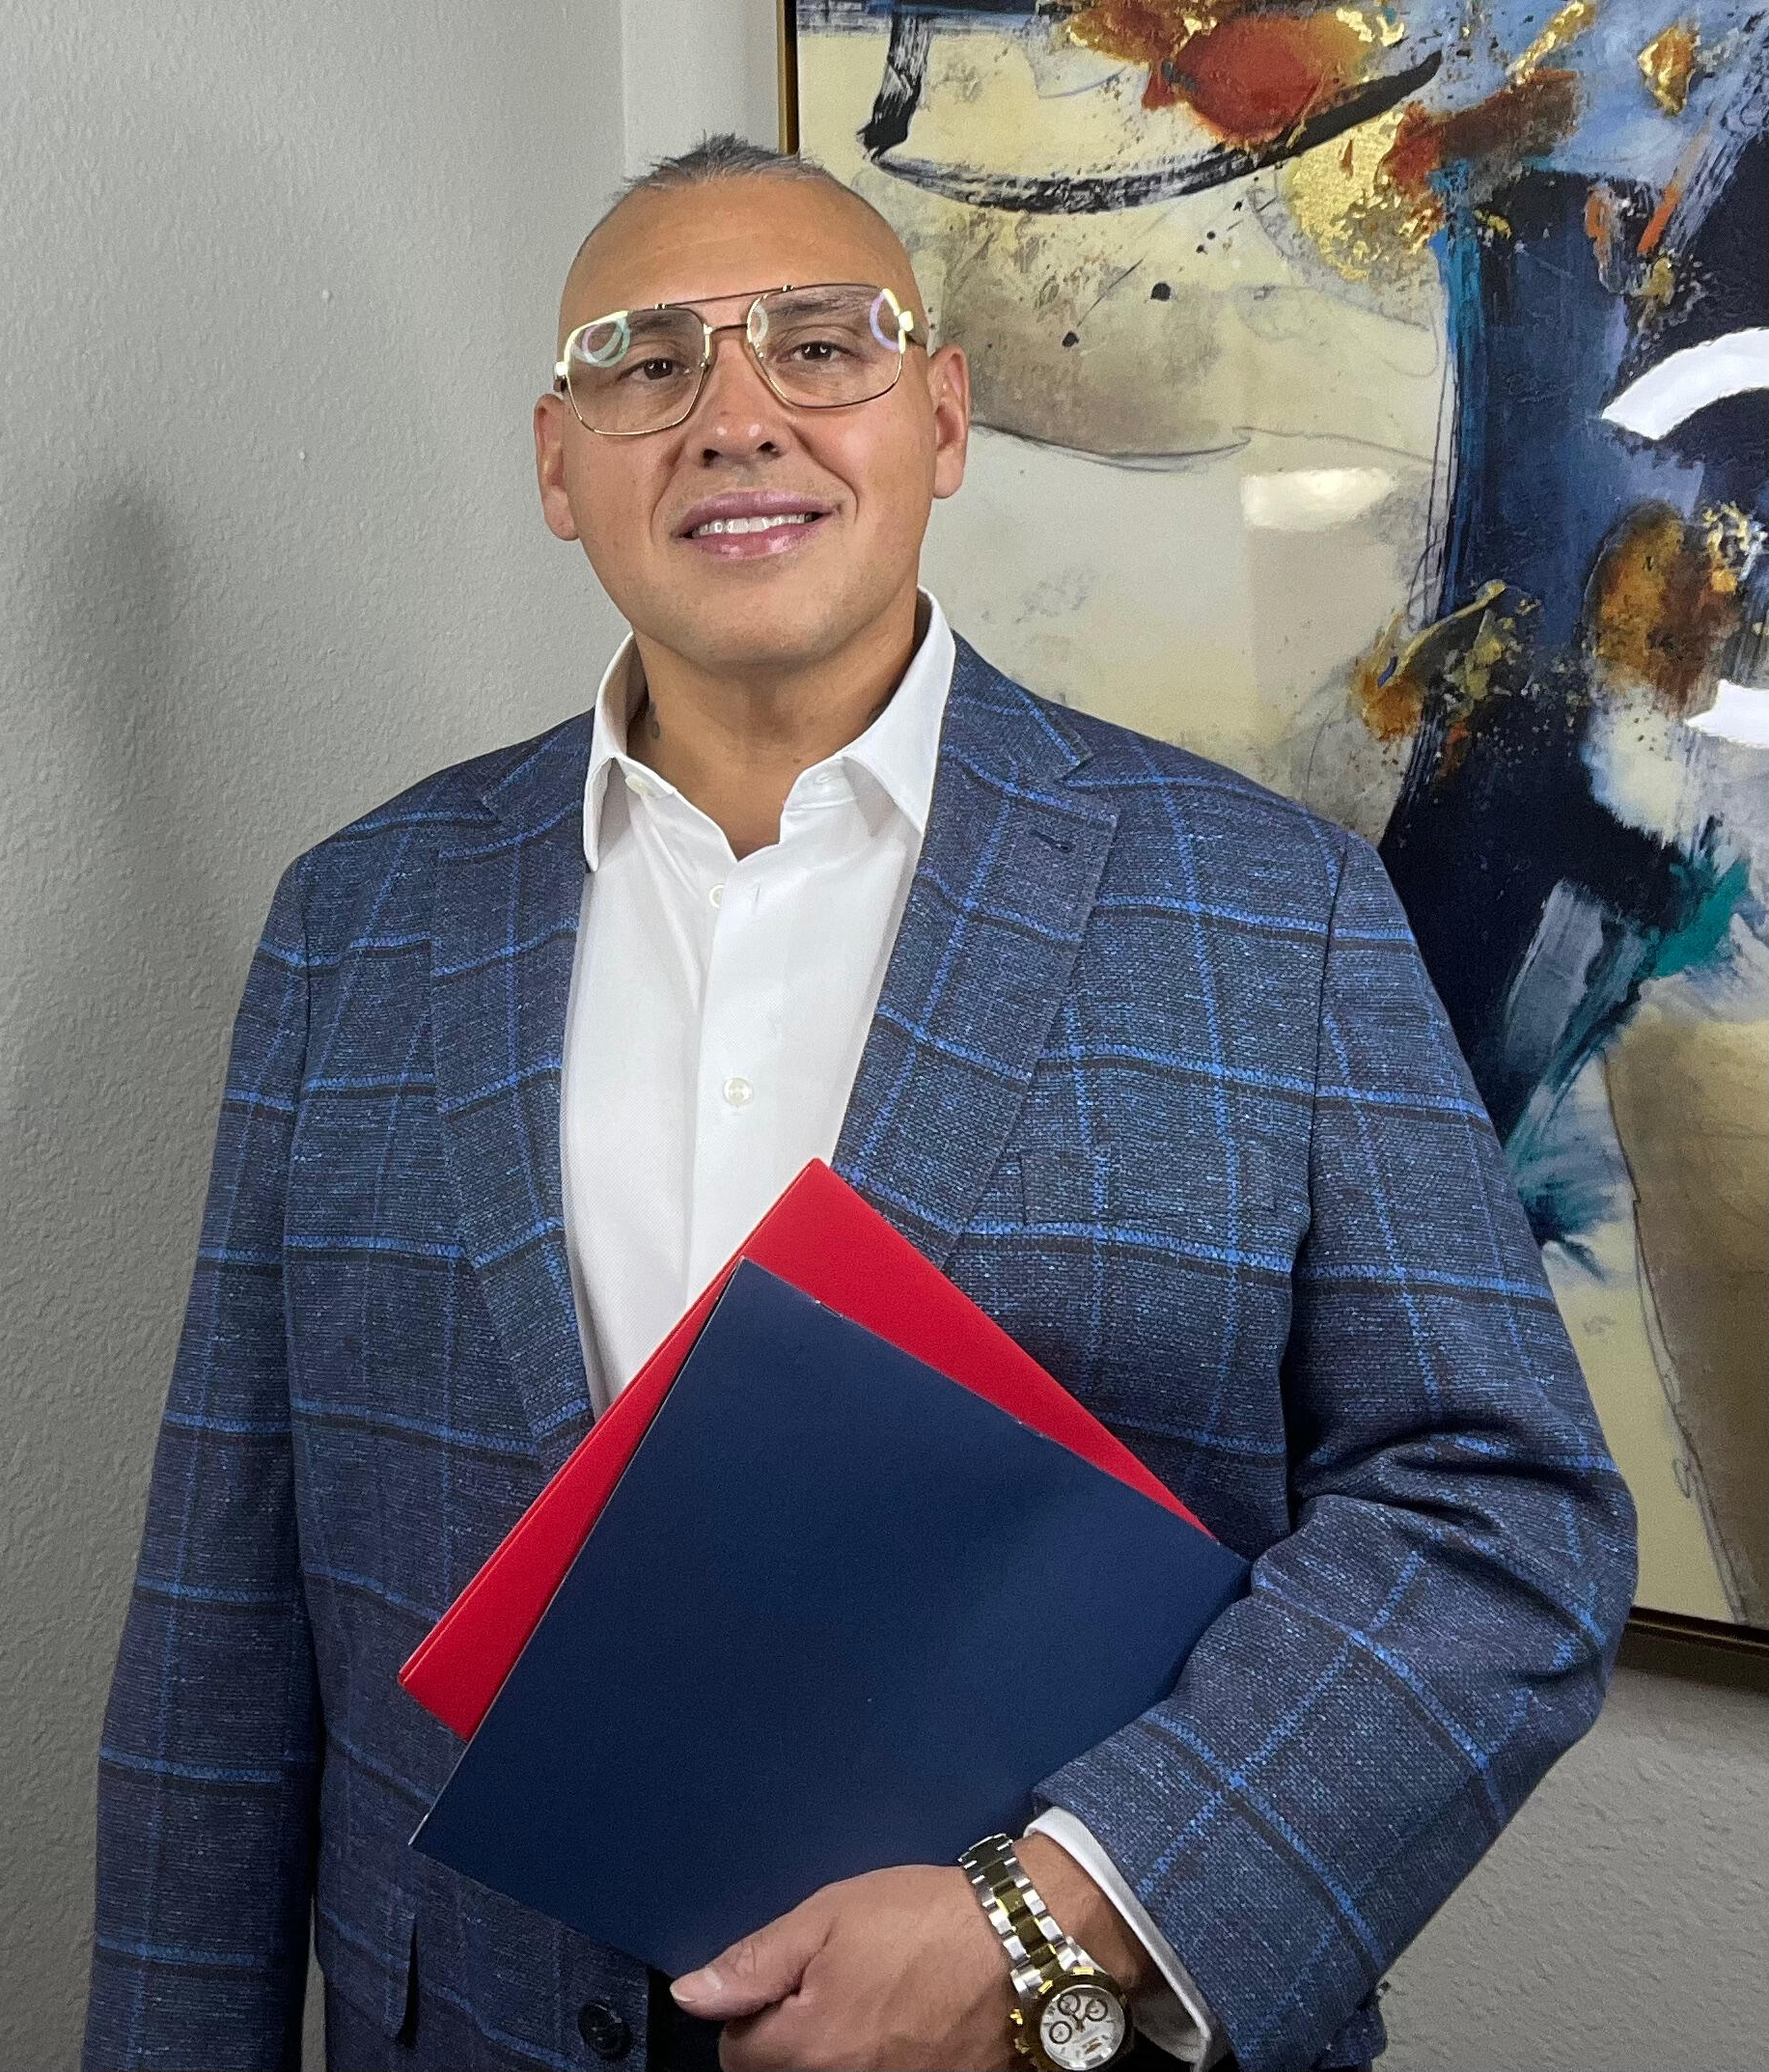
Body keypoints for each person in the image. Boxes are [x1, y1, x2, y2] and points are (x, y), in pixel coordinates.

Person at [84, 136, 1635, 2072]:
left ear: (941, 418)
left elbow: (1500, 1511)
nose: (734, 415)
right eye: (647, 361)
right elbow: (221, 1625)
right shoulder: (359, 919)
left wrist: (1051, 1912)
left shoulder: (1271, 905)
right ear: (558, 464)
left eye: (821, 345)